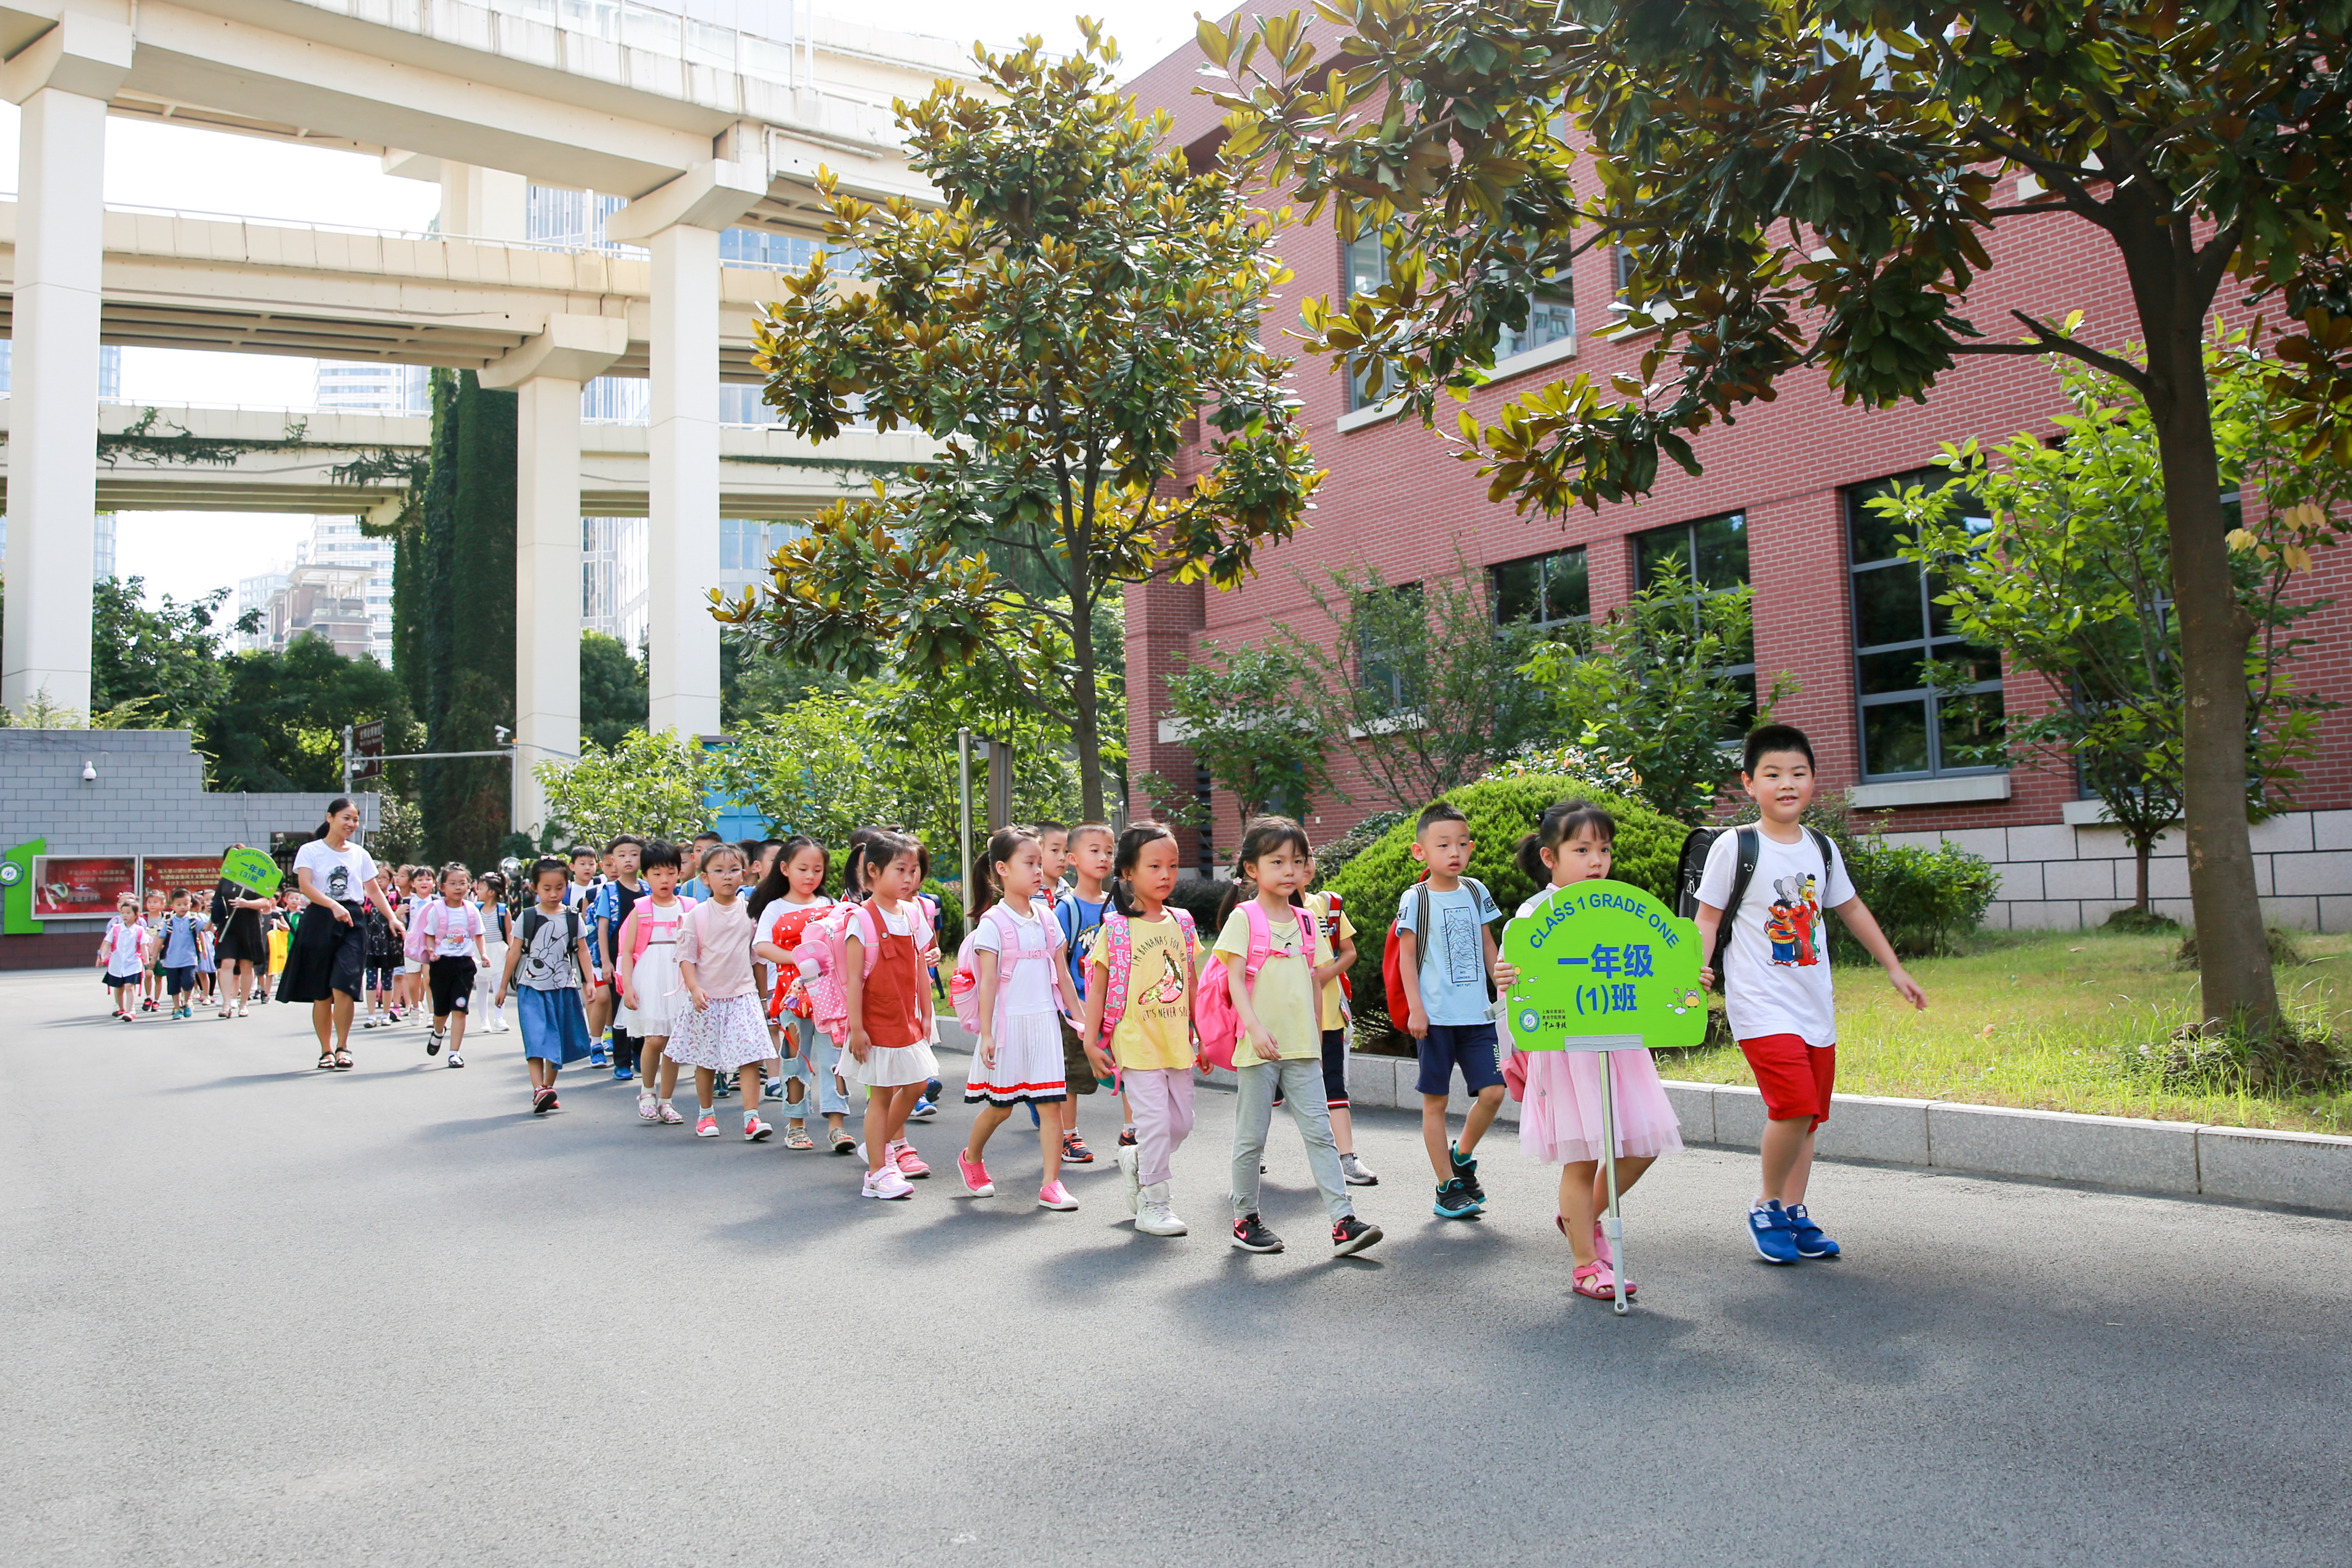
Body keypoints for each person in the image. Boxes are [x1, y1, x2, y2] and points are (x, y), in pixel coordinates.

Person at [1696, 724, 1927, 1264]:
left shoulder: (1821, 847)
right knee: (1792, 1105)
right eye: (1772, 774)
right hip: (1759, 1003)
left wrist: (1893, 967)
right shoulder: (1736, 846)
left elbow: (1850, 908)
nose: (1786, 783)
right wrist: (1692, 976)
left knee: (1809, 1116)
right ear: (1749, 784)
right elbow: (1706, 919)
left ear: (1813, 782)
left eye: (1798, 773)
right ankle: (1765, 1206)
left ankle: (1794, 1210)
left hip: (1813, 1004)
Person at [1511, 800, 1685, 1301]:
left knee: (1643, 1145)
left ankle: (1580, 1217)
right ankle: (1586, 1262)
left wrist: (1685, 978)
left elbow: (1652, 964)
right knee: (1582, 1155)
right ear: (1550, 857)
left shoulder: (1620, 907)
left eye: (1604, 850)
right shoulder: (1535, 913)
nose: (1596, 861)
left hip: (1621, 1047)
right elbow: (1517, 976)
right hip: (1567, 1053)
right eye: (1582, 849)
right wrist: (1508, 976)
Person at [1218, 817, 1383, 1258]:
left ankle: (1343, 1221)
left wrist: (1315, 1028)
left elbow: (1313, 978)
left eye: (1297, 860)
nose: (1289, 870)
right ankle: (1245, 1217)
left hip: (1303, 1045)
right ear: (1252, 869)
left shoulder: (1309, 921)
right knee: (1251, 1137)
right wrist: (1254, 1029)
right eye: (1277, 861)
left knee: (1320, 1134)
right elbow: (1235, 980)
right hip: (1259, 1046)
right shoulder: (1244, 917)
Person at [1078, 822, 1198, 1237]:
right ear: (1128, 872)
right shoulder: (1115, 928)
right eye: (1155, 866)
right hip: (1135, 1045)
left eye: (1173, 865)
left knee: (1181, 1124)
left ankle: (1137, 1161)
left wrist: (1200, 1030)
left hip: (1177, 1044)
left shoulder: (1183, 922)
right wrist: (1091, 1042)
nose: (1166, 874)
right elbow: (1097, 990)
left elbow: (1191, 979)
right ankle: (1154, 1204)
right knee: (1153, 1124)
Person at [957, 827, 1085, 1210]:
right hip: (1008, 1026)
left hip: (1045, 1023)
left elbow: (1062, 976)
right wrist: (988, 1034)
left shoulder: (1047, 919)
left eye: (1038, 862)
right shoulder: (993, 924)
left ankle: (1051, 1183)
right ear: (1002, 869)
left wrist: (1082, 1023)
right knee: (1001, 1107)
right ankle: (971, 1157)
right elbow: (989, 983)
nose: (1037, 870)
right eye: (1028, 862)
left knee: (1051, 1106)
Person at [1393, 801, 1508, 1221]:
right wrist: (1416, 1009)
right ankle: (1446, 1187)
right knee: (1436, 1103)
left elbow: (1490, 945)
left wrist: (1504, 983)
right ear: (1420, 851)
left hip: (1478, 1016)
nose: (1454, 852)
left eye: (1461, 843)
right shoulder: (1417, 898)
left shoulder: (1476, 891)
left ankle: (1461, 1155)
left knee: (1495, 1091)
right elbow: (1407, 958)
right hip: (1436, 1019)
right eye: (1443, 844)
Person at [837, 830, 939, 1200]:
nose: (910, 878)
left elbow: (919, 968)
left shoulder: (913, 913)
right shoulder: (860, 920)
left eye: (914, 870)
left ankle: (875, 1146)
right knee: (880, 1095)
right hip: (875, 1021)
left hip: (906, 1017)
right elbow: (853, 980)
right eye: (901, 869)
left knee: (916, 1084)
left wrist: (927, 1014)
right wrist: (857, 1029)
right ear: (873, 872)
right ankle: (877, 1172)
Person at [280, 798, 406, 1070]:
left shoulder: (360, 854)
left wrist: (393, 918)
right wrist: (332, 905)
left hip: (352, 922)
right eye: (346, 818)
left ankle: (343, 1046)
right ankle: (325, 1050)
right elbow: (305, 886)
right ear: (330, 818)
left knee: (344, 985)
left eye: (355, 819)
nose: (351, 824)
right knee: (322, 993)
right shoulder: (310, 850)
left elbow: (373, 890)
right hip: (319, 919)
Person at [668, 842, 774, 1142]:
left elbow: (757, 959)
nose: (726, 877)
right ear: (705, 878)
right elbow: (686, 956)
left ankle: (752, 1118)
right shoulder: (698, 914)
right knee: (706, 1059)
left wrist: (764, 998)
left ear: (744, 874)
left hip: (743, 995)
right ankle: (705, 1114)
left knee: (751, 1057)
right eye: (718, 871)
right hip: (708, 998)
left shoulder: (751, 913)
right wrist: (694, 988)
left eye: (733, 871)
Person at [752, 836, 848, 1153]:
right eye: (803, 868)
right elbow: (761, 946)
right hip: (792, 997)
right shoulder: (774, 908)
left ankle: (837, 1125)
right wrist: (798, 957)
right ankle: (796, 1125)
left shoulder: (830, 906)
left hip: (829, 997)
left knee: (835, 1059)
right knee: (794, 1059)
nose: (810, 876)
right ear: (785, 869)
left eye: (817, 870)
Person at [495, 857, 597, 1114]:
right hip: (531, 987)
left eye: (559, 888)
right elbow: (514, 952)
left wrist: (589, 981)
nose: (553, 894)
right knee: (536, 1038)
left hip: (563, 986)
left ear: (567, 886)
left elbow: (582, 950)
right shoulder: (527, 917)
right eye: (547, 888)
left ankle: (547, 1089)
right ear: (535, 888)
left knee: (557, 1042)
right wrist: (502, 985)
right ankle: (539, 1088)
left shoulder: (573, 917)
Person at [1302, 858, 1375, 1186]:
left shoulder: (1327, 905)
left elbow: (1348, 951)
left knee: (1334, 1085)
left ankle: (1347, 1158)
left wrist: (1324, 975)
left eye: (1305, 857)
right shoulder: (1257, 913)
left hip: (1329, 1016)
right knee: (1266, 1095)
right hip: (1280, 1022)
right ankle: (1252, 1158)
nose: (1299, 866)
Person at [616, 840, 694, 1128]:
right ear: (645, 875)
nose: (664, 880)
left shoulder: (690, 906)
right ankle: (647, 1092)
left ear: (679, 873)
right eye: (657, 873)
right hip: (649, 975)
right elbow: (626, 950)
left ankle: (667, 1101)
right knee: (654, 1038)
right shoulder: (640, 908)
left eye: (670, 872)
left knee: (674, 1042)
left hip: (680, 975)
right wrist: (627, 986)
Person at [1050, 822, 1115, 1166]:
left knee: (1130, 1068)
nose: (1103, 858)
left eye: (1109, 851)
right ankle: (1068, 1135)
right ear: (1073, 859)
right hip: (1076, 1010)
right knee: (1073, 1075)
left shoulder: (1118, 907)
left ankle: (1132, 1130)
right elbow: (1058, 962)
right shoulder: (1067, 909)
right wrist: (1074, 1010)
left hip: (1114, 1008)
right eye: (1094, 851)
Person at [415, 862, 487, 1067]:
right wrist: (431, 951)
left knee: (460, 1009)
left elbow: (478, 936)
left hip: (464, 965)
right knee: (441, 1011)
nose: (458, 887)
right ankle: (438, 1030)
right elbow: (429, 934)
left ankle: (454, 1053)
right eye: (453, 883)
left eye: (462, 883)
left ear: (469, 886)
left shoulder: (472, 910)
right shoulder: (436, 910)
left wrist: (483, 954)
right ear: (442, 886)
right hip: (441, 964)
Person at [590, 836, 647, 1077]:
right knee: (619, 1010)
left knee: (643, 1006)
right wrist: (606, 962)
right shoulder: (609, 890)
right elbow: (602, 928)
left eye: (634, 854)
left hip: (643, 958)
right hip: (617, 957)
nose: (628, 860)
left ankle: (639, 1052)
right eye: (622, 855)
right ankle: (622, 1062)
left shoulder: (648, 888)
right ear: (613, 860)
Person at [471, 870, 514, 1034]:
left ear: (491, 892)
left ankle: (499, 1018)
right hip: (480, 950)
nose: (478, 892)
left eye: (481, 889)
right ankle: (484, 1020)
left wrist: (511, 950)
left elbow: (509, 932)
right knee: (481, 986)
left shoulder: (503, 911)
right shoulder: (476, 909)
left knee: (499, 986)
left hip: (498, 950)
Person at [155, 888, 207, 1021]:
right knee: (173, 985)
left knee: (188, 981)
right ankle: (177, 1008)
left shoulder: (193, 921)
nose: (183, 907)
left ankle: (187, 1001)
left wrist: (215, 916)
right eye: (179, 905)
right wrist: (154, 957)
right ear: (173, 906)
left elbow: (206, 928)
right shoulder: (169, 923)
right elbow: (160, 939)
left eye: (186, 904)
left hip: (189, 958)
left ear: (190, 904)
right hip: (171, 960)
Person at [98, 894, 150, 1020]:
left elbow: (143, 947)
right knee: (119, 987)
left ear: (136, 915)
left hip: (133, 963)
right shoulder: (116, 929)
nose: (125, 916)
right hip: (117, 962)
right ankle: (121, 1008)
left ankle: (130, 1011)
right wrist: (102, 957)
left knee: (129, 986)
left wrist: (147, 961)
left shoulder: (140, 930)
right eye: (123, 913)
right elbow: (108, 943)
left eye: (128, 913)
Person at [139, 888, 168, 1014]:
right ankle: (148, 997)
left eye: (155, 902)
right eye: (149, 902)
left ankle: (157, 1000)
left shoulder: (166, 918)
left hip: (160, 951)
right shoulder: (142, 918)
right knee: (148, 974)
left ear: (163, 904)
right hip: (146, 951)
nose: (152, 905)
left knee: (159, 977)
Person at [676, 831, 726, 900]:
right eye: (699, 850)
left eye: (709, 849)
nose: (704, 854)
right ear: (693, 857)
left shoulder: (729, 881)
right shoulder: (689, 888)